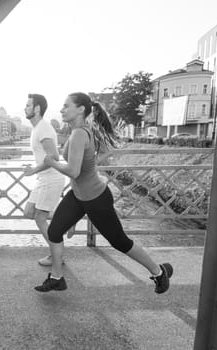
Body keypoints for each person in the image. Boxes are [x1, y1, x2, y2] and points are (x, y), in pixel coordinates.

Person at [35, 92, 173, 293]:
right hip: (78, 195)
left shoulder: (80, 133)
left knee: (119, 241)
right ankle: (56, 278)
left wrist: (52, 163)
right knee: (55, 232)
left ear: (80, 109)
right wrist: (71, 218)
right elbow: (85, 165)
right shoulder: (80, 131)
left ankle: (159, 271)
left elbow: (74, 171)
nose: (62, 110)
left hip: (95, 198)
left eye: (66, 106)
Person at [22, 93, 66, 266]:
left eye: (27, 105)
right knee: (29, 213)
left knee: (40, 218)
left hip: (51, 179)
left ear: (37, 108)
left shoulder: (44, 128)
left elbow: (54, 156)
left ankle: (56, 255)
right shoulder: (36, 128)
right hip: (43, 179)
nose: (24, 108)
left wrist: (33, 170)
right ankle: (65, 220)